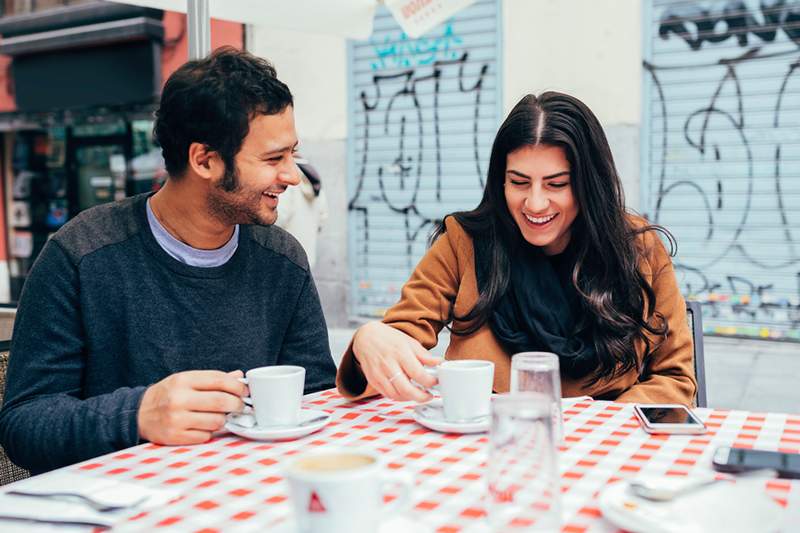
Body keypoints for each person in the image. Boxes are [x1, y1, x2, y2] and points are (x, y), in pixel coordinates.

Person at [0, 47, 337, 474]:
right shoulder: (81, 254)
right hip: (123, 504)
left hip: (251, 494)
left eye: (293, 154)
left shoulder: (283, 259)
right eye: (274, 159)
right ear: (204, 160)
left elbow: (317, 396)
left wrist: (360, 364)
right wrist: (138, 414)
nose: (292, 175)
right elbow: (24, 424)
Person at [336, 92, 696, 406]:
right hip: (486, 442)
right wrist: (370, 341)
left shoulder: (637, 247)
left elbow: (675, 379)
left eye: (556, 184)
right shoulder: (465, 242)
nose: (535, 203)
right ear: (499, 180)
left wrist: (591, 423)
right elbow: (396, 349)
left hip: (606, 446)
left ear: (590, 185)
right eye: (518, 182)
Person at [275, 155, 328, 268]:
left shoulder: (287, 178)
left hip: (285, 255)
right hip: (307, 255)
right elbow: (323, 218)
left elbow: (279, 217)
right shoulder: (314, 179)